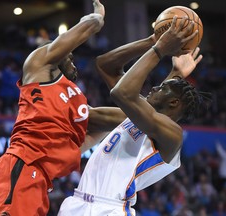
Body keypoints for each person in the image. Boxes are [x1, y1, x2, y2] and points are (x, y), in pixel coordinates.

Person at [58, 16, 212, 215]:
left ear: (173, 103)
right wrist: (152, 41)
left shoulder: (172, 135)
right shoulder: (131, 118)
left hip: (109, 209)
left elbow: (122, 93)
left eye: (162, 87)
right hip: (76, 202)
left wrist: (159, 50)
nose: (154, 86)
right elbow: (105, 65)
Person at [0, 1, 126, 215]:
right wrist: (96, 18)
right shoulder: (38, 66)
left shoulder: (75, 103)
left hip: (41, 180)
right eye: (71, 58)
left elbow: (107, 121)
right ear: (61, 54)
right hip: (22, 166)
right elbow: (83, 29)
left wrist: (152, 111)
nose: (75, 64)